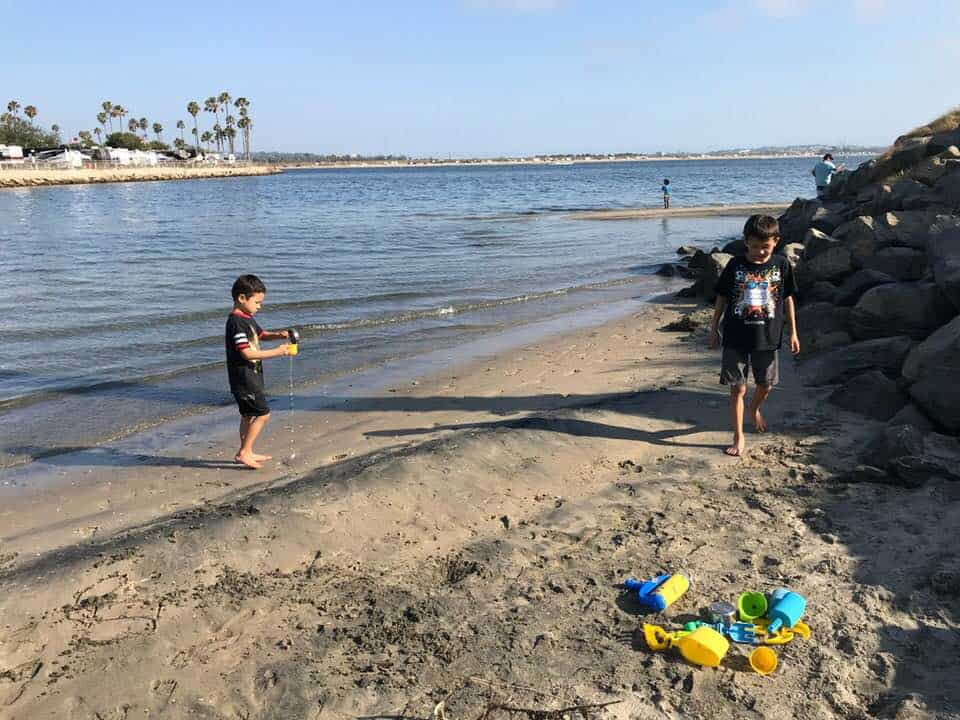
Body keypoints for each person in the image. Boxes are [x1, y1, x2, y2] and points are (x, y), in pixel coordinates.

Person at [709, 215, 800, 457]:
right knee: (737, 388)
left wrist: (793, 333)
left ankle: (754, 408)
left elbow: (788, 299)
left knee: (766, 384)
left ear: (776, 242)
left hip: (767, 336)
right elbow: (722, 298)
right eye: (755, 246)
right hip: (735, 335)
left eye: (766, 247)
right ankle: (738, 436)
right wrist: (713, 327)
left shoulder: (781, 265)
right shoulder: (735, 265)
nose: (760, 252)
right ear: (746, 242)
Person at [225, 274, 292, 469]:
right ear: (242, 298)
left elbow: (260, 335)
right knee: (263, 414)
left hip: (250, 375)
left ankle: (244, 451)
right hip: (244, 377)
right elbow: (246, 352)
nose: (259, 306)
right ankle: (245, 452)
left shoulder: (248, 319)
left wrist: (278, 335)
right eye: (257, 302)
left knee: (247, 415)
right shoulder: (236, 322)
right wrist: (279, 351)